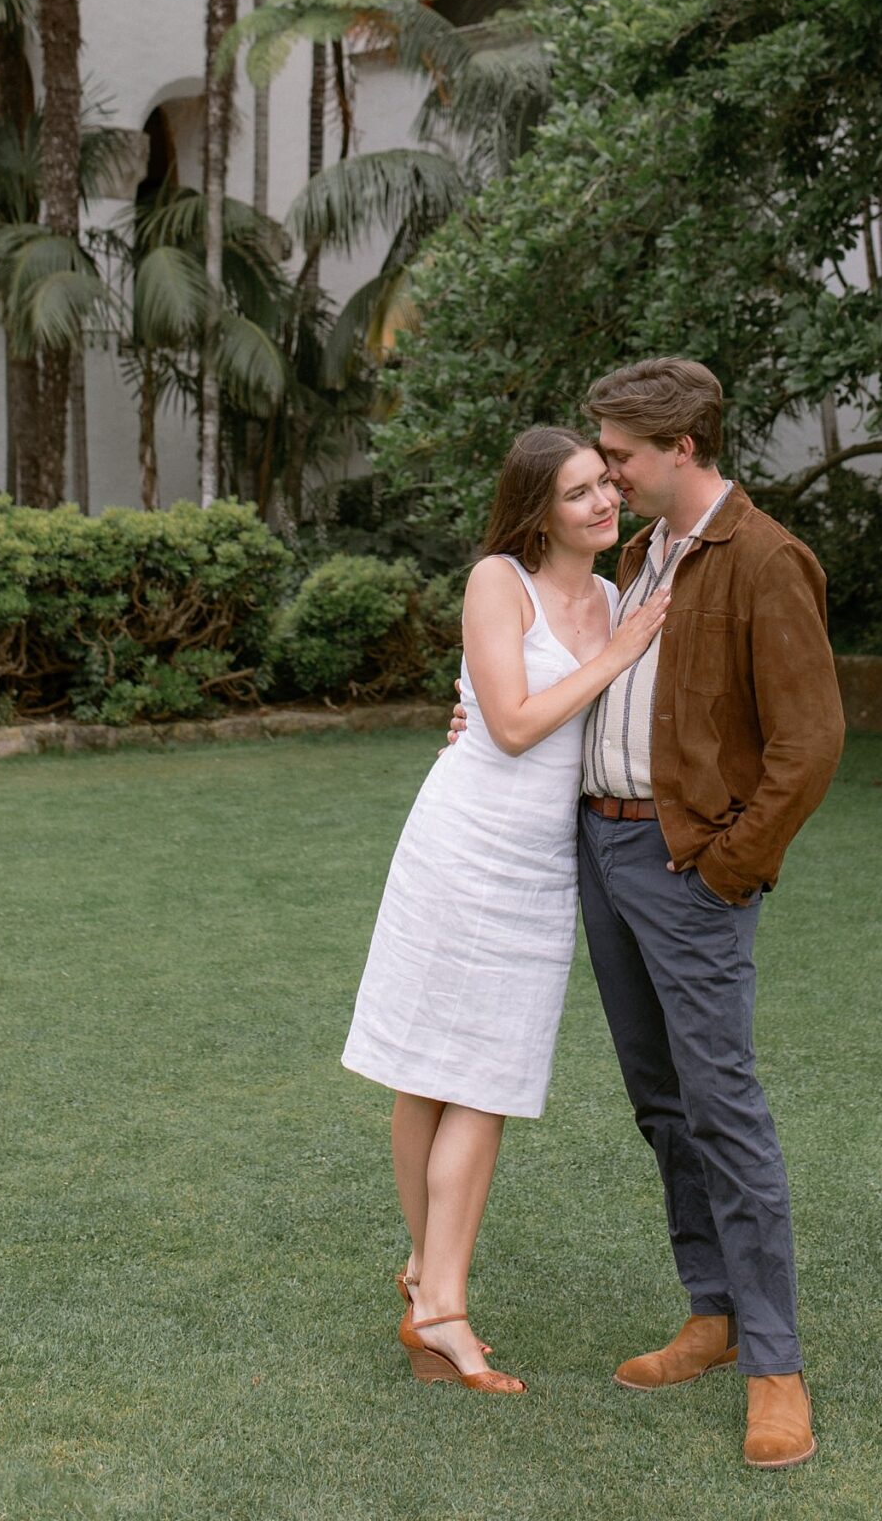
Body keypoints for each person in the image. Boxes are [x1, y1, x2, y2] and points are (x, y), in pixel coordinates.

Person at [449, 358, 845, 1468]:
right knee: (661, 1103)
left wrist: (726, 872)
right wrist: (467, 717)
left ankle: (775, 1364)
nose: (607, 471)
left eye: (619, 453)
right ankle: (711, 1314)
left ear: (682, 447)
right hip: (603, 848)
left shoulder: (767, 558)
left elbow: (809, 745)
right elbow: (568, 685)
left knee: (724, 1105)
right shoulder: (641, 557)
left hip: (688, 867)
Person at [341, 425, 672, 1395]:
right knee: (439, 1075)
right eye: (577, 494)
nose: (603, 503)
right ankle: (440, 1304)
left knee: (479, 1073)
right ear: (538, 510)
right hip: (461, 845)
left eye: (604, 485)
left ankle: (426, 1283)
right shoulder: (499, 579)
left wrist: (614, 644)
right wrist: (616, 653)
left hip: (538, 866)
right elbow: (518, 723)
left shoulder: (613, 593)